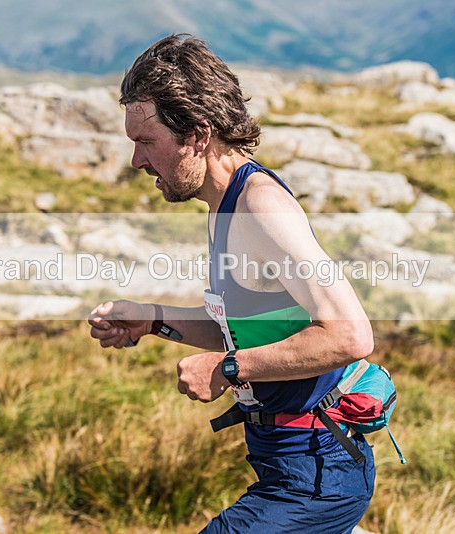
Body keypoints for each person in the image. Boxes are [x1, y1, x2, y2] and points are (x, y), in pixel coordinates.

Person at [88, 34, 375, 533]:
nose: (136, 161)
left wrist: (227, 368)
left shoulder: (261, 206)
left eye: (146, 142)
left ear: (199, 134)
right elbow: (252, 328)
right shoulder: (223, 203)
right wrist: (154, 319)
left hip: (317, 474)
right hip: (289, 465)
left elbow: (350, 335)